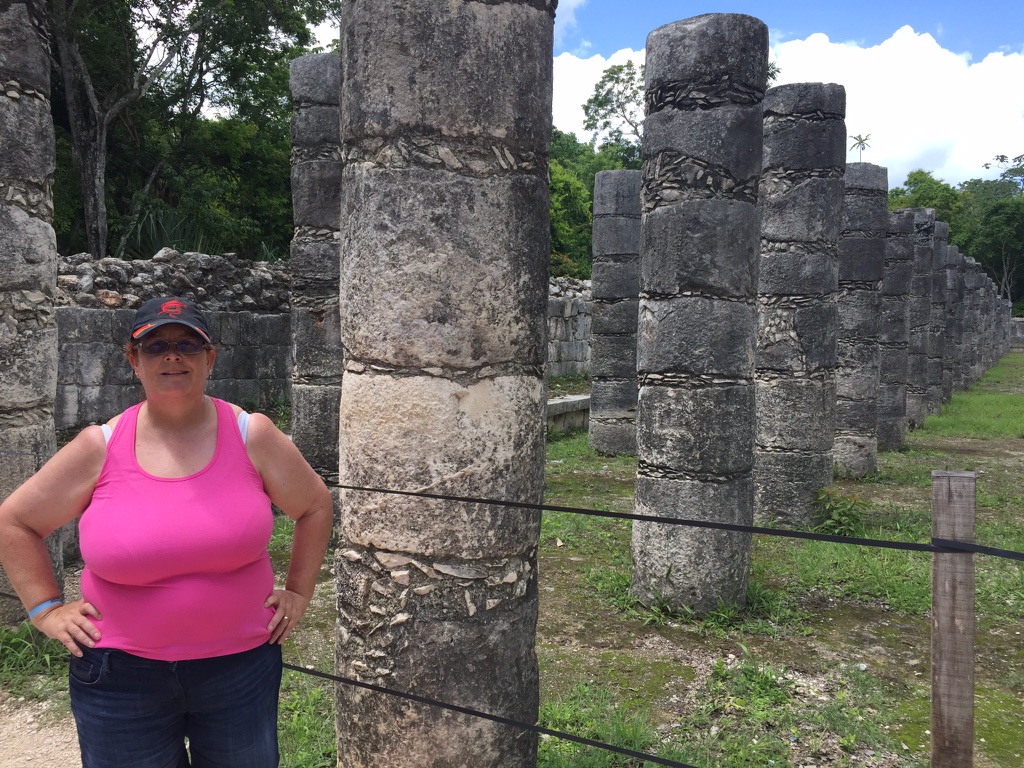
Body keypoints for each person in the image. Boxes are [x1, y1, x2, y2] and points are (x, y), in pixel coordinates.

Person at [0, 296, 334, 767]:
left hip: (238, 667)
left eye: (187, 345)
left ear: (209, 359)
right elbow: (15, 521)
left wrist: (299, 590)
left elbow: (315, 505)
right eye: (156, 347)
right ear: (134, 361)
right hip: (119, 675)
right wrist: (45, 610)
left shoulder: (251, 435)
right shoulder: (100, 446)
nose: (172, 356)